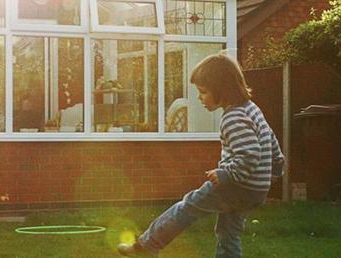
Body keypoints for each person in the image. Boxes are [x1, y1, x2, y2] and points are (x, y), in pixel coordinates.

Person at [118, 53, 284, 258]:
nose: (200, 98)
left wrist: (226, 174)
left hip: (235, 186)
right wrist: (274, 171)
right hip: (254, 190)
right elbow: (272, 142)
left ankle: (148, 245)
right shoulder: (252, 109)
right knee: (229, 232)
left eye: (203, 92)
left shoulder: (233, 117)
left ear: (222, 89)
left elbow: (249, 155)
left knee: (188, 207)